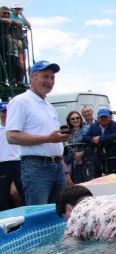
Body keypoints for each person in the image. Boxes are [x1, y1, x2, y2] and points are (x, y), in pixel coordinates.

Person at [6, 61, 70, 205]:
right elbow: (11, 136)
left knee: (60, 213)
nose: (49, 81)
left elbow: (53, 141)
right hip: (36, 167)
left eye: (52, 78)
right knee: (40, 213)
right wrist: (48, 138)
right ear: (33, 77)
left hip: (56, 166)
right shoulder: (20, 102)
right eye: (45, 76)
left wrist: (64, 168)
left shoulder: (48, 105)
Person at [84, 108, 116, 174]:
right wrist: (93, 139)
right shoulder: (93, 126)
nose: (103, 119)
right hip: (98, 158)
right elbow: (85, 137)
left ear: (110, 117)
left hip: (114, 157)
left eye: (105, 117)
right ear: (97, 118)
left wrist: (100, 139)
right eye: (101, 117)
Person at [0, 102, 23, 210]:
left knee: (21, 193)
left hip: (18, 162)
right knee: (3, 198)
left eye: (7, 111)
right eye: (3, 112)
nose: (6, 114)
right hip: (2, 165)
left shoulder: (18, 128)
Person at [64, 110, 93, 183]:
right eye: (73, 119)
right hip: (73, 164)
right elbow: (65, 150)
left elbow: (93, 144)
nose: (75, 120)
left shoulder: (88, 128)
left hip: (88, 162)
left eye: (77, 118)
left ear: (81, 119)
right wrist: (73, 155)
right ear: (69, 121)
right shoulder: (67, 132)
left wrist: (82, 153)